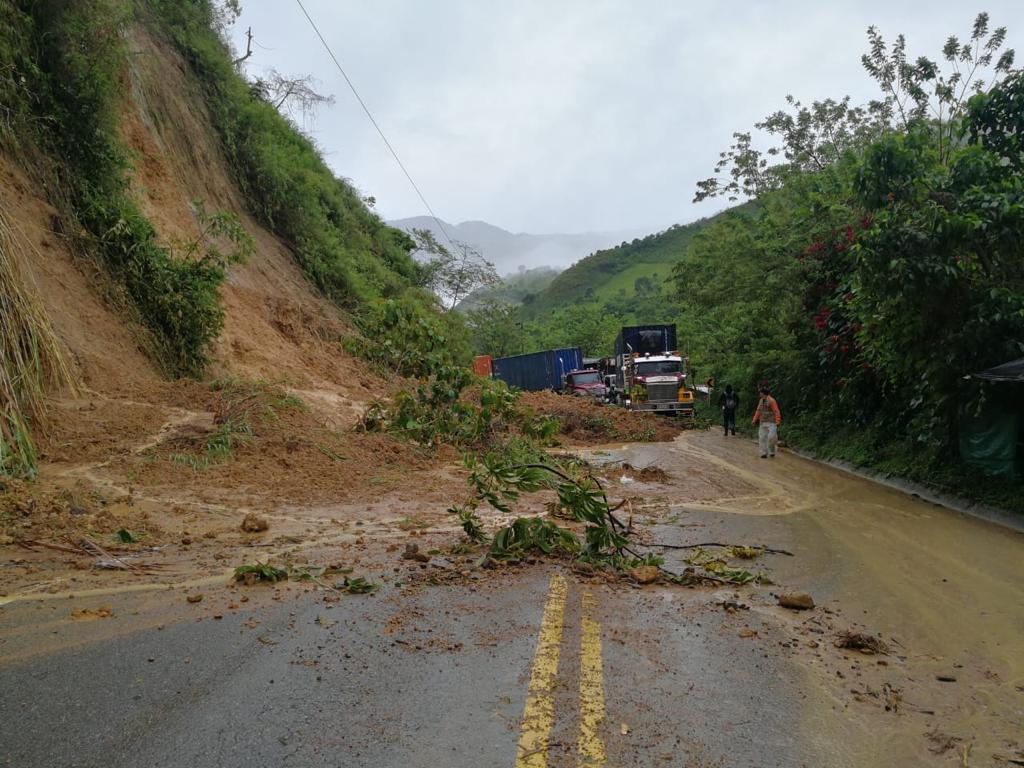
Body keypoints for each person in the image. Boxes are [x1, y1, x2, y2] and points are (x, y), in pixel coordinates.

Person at [751, 385, 781, 458]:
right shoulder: (761, 401)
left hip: (772, 422)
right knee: (762, 438)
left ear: (763, 393)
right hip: (763, 422)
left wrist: (778, 421)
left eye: (760, 392)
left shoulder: (771, 401)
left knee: (771, 438)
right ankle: (764, 453)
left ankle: (772, 451)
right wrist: (754, 420)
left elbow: (776, 411)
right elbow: (758, 411)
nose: (759, 394)